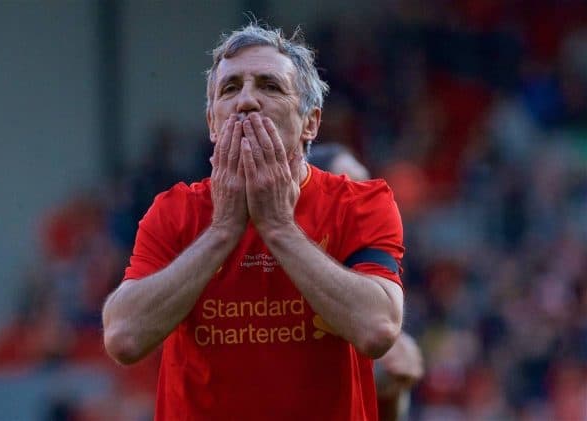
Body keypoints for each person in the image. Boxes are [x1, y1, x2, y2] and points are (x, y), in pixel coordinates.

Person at [102, 23, 405, 421]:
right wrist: (222, 230)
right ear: (213, 123)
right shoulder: (173, 211)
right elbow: (124, 338)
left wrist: (279, 227)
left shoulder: (361, 203)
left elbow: (378, 328)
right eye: (230, 89)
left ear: (310, 123)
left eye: (269, 86)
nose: (246, 101)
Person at [308, 143, 424, 421]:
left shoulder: (378, 281)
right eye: (351, 186)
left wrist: (393, 387)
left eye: (366, 181)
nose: (366, 196)